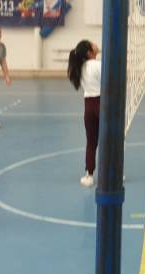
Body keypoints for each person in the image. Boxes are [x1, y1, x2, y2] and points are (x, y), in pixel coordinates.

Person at [67, 40, 101, 187]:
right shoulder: (97, 65)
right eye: (92, 44)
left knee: (91, 142)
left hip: (88, 107)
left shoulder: (80, 68)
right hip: (102, 103)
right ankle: (114, 173)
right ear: (89, 52)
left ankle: (89, 175)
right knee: (111, 140)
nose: (95, 44)